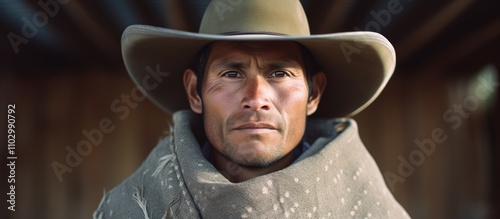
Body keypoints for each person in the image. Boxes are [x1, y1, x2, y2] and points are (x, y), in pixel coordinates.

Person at [94, 0, 410, 218]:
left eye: (279, 73)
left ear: (314, 94)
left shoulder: (365, 207)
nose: (256, 97)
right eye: (231, 74)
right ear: (195, 92)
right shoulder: (137, 206)